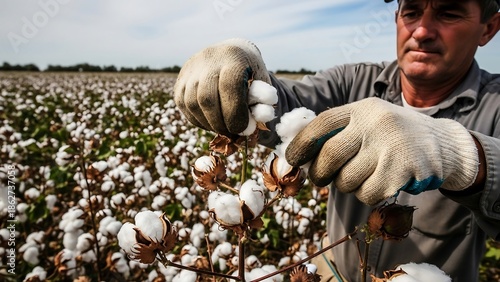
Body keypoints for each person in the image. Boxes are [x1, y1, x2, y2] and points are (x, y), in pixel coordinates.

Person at [173, 0, 500, 281]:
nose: (422, 31)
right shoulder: (351, 81)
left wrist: (462, 155)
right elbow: (287, 109)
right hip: (330, 272)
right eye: (411, 12)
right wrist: (243, 69)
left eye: (449, 14)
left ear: (488, 28)